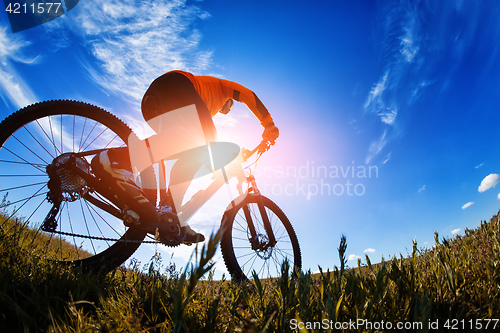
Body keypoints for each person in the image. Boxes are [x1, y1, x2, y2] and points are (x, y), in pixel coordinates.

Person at [91, 70, 279, 245]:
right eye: (231, 105)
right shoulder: (223, 88)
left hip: (152, 104)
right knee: (206, 139)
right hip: (175, 84)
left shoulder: (206, 104)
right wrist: (268, 124)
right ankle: (116, 159)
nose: (230, 109)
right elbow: (248, 95)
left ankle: (170, 212)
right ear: (229, 100)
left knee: (185, 149)